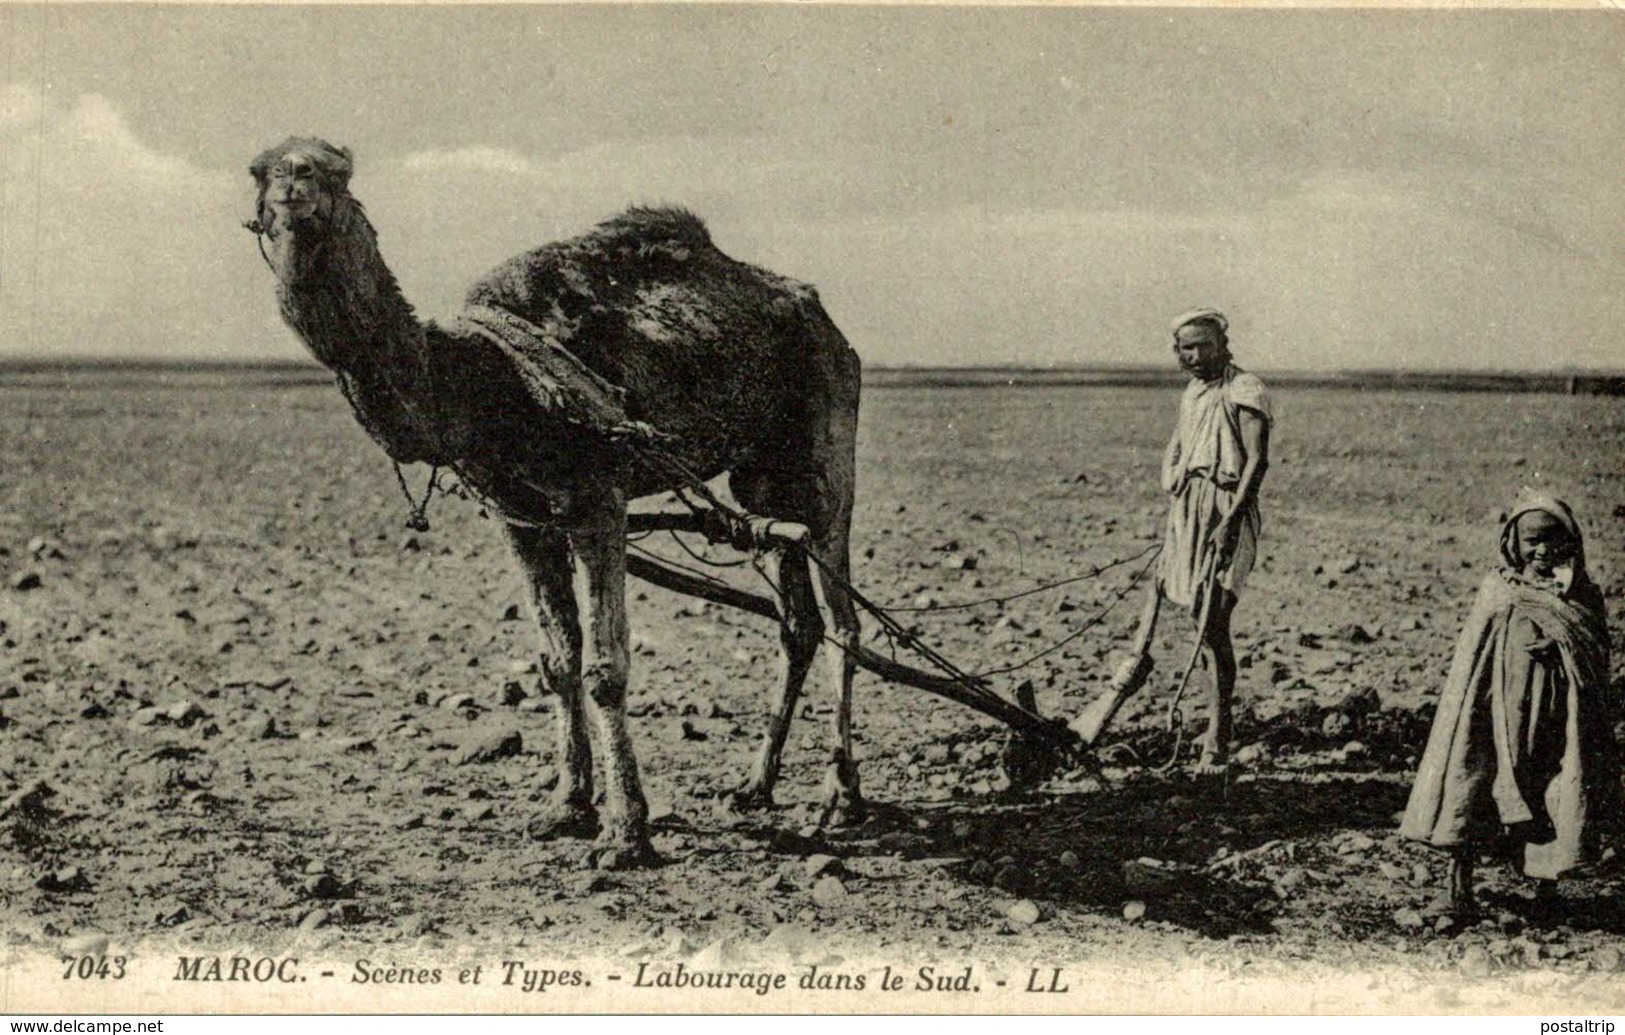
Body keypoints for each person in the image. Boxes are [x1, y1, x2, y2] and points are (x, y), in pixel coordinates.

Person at [1399, 492, 1620, 917]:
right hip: (1495, 714)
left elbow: (1594, 651)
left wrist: (1560, 646)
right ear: (1512, 543)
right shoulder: (1499, 590)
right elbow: (1475, 658)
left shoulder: (1581, 595)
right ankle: (1458, 890)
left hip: (1554, 719)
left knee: (1551, 789)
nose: (1542, 550)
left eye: (1552, 540)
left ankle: (1547, 895)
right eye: (1532, 541)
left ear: (1570, 541)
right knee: (1471, 784)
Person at [1073, 308, 1272, 772]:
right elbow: (1180, 445)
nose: (1196, 355)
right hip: (1190, 509)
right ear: (1177, 353)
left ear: (1223, 344)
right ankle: (1210, 731)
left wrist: (1230, 522)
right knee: (1195, 617)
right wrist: (1175, 482)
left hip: (1228, 507)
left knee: (1214, 622)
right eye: (1187, 348)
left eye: (1205, 345)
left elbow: (1256, 463)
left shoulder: (1245, 389)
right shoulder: (1193, 393)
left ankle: (1218, 738)